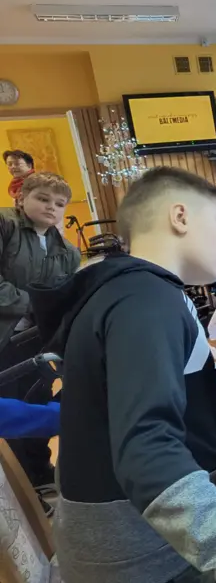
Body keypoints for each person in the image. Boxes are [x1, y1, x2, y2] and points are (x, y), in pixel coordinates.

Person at [29, 167, 216, 583]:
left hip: (134, 538)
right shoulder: (146, 301)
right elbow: (147, 451)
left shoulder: (131, 290)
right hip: (141, 554)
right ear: (180, 216)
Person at [0, 172, 79, 493]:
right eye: (43, 199)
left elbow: (65, 295)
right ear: (22, 198)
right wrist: (31, 303)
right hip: (3, 336)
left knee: (38, 399)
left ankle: (40, 472)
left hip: (36, 339)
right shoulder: (5, 225)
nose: (51, 207)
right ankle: (19, 483)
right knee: (9, 408)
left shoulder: (68, 251)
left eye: (59, 203)